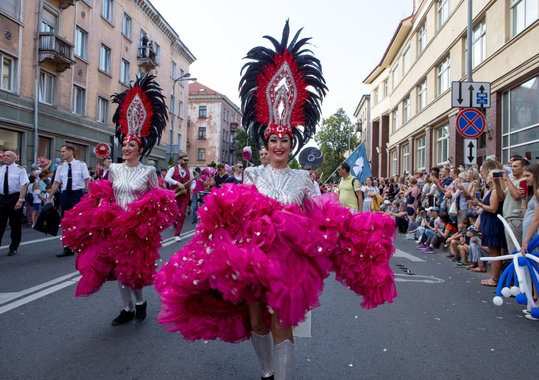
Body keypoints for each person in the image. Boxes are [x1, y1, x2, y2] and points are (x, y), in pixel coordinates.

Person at [155, 22, 396, 380]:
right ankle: (267, 371)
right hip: (252, 260)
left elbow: (323, 218)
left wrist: (358, 230)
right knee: (256, 320)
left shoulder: (304, 179)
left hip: (289, 265)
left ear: (292, 144)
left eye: (285, 140)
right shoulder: (251, 175)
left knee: (281, 319)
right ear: (265, 144)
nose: (279, 145)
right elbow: (233, 214)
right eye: (273, 140)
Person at [61, 73, 177, 326]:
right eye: (124, 144)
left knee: (131, 272)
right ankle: (127, 309)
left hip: (136, 230)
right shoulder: (113, 169)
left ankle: (140, 302)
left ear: (140, 149)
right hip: (115, 227)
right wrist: (100, 211)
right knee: (118, 272)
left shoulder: (148, 172)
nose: (126, 148)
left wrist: (146, 219)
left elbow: (158, 200)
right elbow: (106, 194)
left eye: (131, 145)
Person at [46, 144, 90, 257]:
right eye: (61, 151)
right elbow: (56, 183)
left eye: (63, 151)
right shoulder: (60, 167)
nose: (61, 154)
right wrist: (49, 197)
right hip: (65, 195)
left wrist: (91, 195)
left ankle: (83, 245)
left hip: (77, 194)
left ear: (71, 152)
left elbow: (86, 181)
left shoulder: (81, 165)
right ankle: (67, 247)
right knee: (66, 222)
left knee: (79, 220)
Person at [468, 162, 507, 287]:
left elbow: (493, 208)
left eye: (489, 176)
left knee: (495, 252)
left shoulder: (495, 191)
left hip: (493, 224)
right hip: (489, 223)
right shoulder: (491, 190)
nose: (487, 177)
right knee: (495, 251)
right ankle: (497, 277)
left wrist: (479, 204)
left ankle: (495, 279)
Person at [0, 151, 29, 256]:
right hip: (2, 198)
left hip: (14, 198)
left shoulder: (20, 170)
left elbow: (24, 186)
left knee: (15, 224)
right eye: (4, 156)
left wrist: (20, 200)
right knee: (0, 223)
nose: (5, 157)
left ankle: (13, 247)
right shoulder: (1, 169)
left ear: (14, 158)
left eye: (8, 156)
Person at [165, 153, 195, 241]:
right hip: (174, 194)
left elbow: (193, 182)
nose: (186, 162)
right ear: (180, 160)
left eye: (187, 160)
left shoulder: (190, 171)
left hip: (185, 195)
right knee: (173, 213)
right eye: (185, 160)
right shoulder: (173, 169)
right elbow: (167, 178)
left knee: (182, 214)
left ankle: (177, 233)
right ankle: (175, 224)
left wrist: (192, 188)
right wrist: (177, 183)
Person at [502, 158, 528, 253]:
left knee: (515, 252)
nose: (512, 169)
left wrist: (508, 179)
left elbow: (517, 196)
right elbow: (502, 197)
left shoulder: (524, 181)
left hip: (516, 219)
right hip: (509, 219)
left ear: (524, 167)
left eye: (515, 166)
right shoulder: (513, 182)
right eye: (512, 166)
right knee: (512, 250)